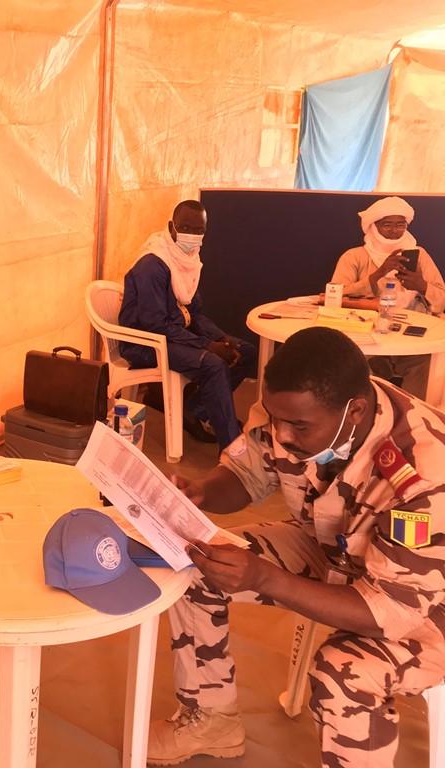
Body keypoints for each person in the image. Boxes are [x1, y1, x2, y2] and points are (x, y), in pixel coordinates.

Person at [147, 327, 445, 768]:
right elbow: (247, 474)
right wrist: (202, 492)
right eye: (275, 419)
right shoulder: (298, 408)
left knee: (343, 673)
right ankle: (212, 721)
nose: (282, 435)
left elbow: (390, 611)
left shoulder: (423, 475)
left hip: (427, 604)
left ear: (355, 412)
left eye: (298, 427)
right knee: (197, 564)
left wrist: (264, 577)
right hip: (339, 550)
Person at [118, 200, 256, 450]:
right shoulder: (153, 265)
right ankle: (232, 448)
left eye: (198, 230)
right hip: (144, 343)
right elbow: (155, 325)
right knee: (214, 364)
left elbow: (193, 313)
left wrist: (220, 338)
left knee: (244, 352)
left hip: (171, 335)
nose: (192, 235)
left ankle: (196, 411)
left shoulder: (187, 258)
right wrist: (207, 346)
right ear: (171, 227)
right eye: (185, 228)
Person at [329, 195, 445, 398]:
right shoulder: (354, 256)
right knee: (355, 364)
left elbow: (442, 298)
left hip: (412, 333)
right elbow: (335, 296)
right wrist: (377, 275)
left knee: (427, 363)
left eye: (400, 225)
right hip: (366, 332)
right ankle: (369, 411)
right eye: (387, 224)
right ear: (373, 226)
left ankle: (414, 413)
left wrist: (422, 286)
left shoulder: (419, 255)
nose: (394, 231)